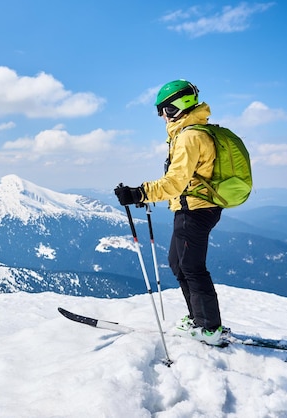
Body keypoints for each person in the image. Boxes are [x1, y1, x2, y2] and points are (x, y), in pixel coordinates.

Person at [114, 79, 224, 345]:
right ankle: (198, 319)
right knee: (178, 262)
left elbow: (176, 182)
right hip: (193, 207)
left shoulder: (190, 137)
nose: (162, 116)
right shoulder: (189, 133)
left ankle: (210, 329)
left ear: (178, 106)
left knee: (192, 267)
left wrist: (139, 193)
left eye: (164, 109)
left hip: (196, 210)